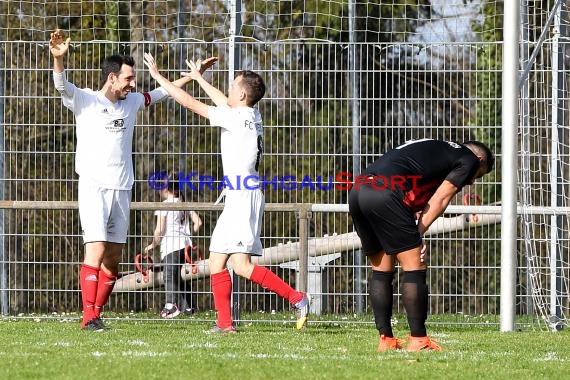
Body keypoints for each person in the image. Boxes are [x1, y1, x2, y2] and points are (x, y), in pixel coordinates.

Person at [49, 29, 217, 331]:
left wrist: (193, 77)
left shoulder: (131, 102)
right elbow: (61, 86)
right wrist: (58, 60)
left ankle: (96, 314)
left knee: (112, 259)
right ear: (111, 78)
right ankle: (88, 316)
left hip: (123, 190)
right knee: (96, 248)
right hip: (93, 187)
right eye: (128, 78)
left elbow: (162, 93)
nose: (133, 83)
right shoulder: (85, 100)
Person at [142, 52, 311, 332]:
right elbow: (223, 101)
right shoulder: (250, 113)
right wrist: (198, 77)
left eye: (233, 86)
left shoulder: (236, 117)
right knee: (216, 261)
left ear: (242, 95)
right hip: (240, 195)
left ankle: (297, 298)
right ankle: (225, 324)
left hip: (243, 197)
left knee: (241, 266)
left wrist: (159, 78)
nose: (228, 89)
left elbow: (189, 102)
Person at [348, 139, 494, 352]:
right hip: (386, 194)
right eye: (478, 175)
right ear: (479, 160)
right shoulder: (469, 158)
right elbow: (440, 200)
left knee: (381, 269)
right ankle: (418, 340)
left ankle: (386, 340)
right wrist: (416, 235)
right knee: (414, 267)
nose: (471, 182)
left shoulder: (435, 148)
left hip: (359, 190)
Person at [144, 173, 203, 318]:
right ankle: (188, 307)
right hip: (185, 246)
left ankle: (171, 305)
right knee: (182, 275)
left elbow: (160, 230)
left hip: (171, 246)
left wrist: (153, 244)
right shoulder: (184, 204)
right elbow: (198, 222)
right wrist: (189, 235)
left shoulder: (164, 206)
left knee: (169, 275)